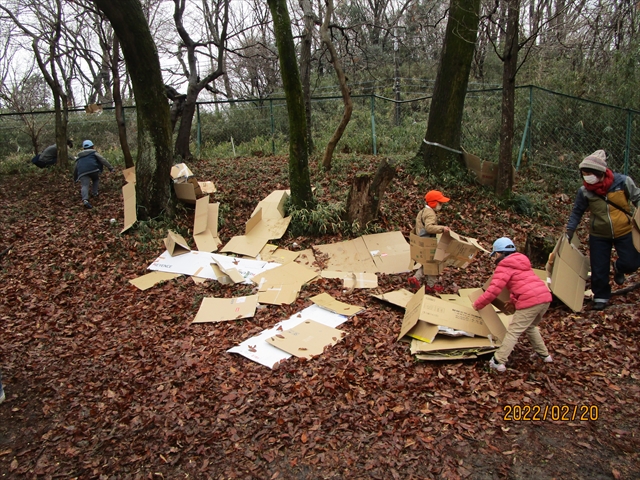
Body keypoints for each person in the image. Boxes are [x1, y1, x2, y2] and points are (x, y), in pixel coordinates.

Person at [566, 150, 640, 311]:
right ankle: (601, 297)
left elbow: (637, 198)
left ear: (599, 173)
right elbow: (577, 211)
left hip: (624, 230)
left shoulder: (623, 182)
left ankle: (619, 267)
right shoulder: (585, 191)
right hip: (599, 233)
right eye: (584, 174)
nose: (587, 177)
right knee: (599, 268)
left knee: (633, 261)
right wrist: (570, 230)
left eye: (589, 173)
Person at [472, 237, 553, 373]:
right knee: (531, 326)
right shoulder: (522, 262)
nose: (494, 258)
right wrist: (514, 301)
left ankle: (498, 361)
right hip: (545, 298)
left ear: (499, 253)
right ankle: (544, 355)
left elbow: (493, 291)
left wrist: (477, 304)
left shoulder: (503, 266)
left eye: (495, 254)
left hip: (531, 301)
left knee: (513, 332)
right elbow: (523, 284)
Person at [408, 190, 451, 289]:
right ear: (433, 203)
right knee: (433, 263)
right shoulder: (430, 214)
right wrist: (442, 228)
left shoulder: (422, 211)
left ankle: (418, 279)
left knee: (427, 263)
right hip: (427, 242)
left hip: (421, 241)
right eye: (440, 203)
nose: (441, 205)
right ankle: (429, 285)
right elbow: (429, 227)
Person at [74, 140, 114, 209]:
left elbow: (75, 168)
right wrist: (111, 168)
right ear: (92, 147)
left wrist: (75, 178)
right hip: (93, 170)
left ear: (83, 148)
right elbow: (103, 160)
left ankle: (85, 200)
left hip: (82, 172)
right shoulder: (94, 153)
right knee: (95, 179)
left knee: (84, 185)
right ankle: (95, 193)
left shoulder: (79, 157)